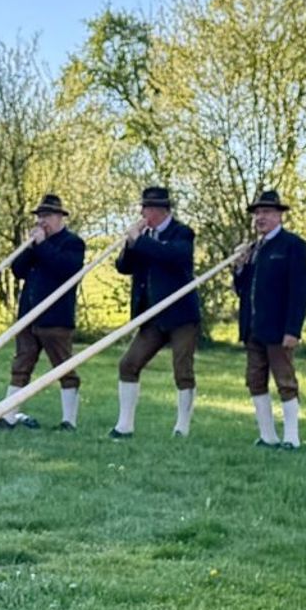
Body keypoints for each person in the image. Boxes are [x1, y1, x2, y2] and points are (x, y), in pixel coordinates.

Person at [111, 185, 202, 439]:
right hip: (150, 315)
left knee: (182, 369)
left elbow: (174, 257)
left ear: (161, 210)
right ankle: (124, 425)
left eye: (147, 208)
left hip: (181, 315)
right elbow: (123, 267)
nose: (143, 212)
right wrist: (131, 244)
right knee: (128, 364)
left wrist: (140, 241)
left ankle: (182, 427)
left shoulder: (182, 233)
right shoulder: (144, 236)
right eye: (142, 207)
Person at [0, 193, 87, 430]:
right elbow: (18, 270)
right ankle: (8, 417)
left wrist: (42, 245)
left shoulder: (73, 243)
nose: (41, 221)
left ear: (60, 218)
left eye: (46, 216)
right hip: (28, 314)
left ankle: (69, 420)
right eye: (39, 217)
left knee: (64, 367)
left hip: (56, 317)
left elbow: (65, 269)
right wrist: (29, 247)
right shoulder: (35, 243)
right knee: (21, 365)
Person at [233, 189, 306, 449]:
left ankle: (292, 438)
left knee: (285, 381)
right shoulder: (254, 248)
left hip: (279, 328)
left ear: (279, 215)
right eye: (257, 213)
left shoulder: (293, 246)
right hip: (253, 327)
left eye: (266, 212)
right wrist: (240, 267)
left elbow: (300, 291)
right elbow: (242, 289)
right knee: (255, 380)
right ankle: (268, 436)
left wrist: (293, 329)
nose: (260, 218)